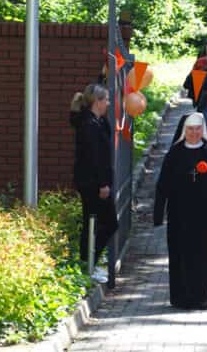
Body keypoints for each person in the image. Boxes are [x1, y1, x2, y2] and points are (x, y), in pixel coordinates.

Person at [153, 112, 207, 310]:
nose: (194, 133)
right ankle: (180, 297)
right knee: (180, 254)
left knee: (202, 255)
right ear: (184, 131)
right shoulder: (174, 153)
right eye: (190, 129)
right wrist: (158, 215)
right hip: (179, 214)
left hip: (205, 216)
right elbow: (162, 185)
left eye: (198, 129)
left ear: (203, 130)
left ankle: (201, 297)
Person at [71, 84, 119, 284]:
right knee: (106, 223)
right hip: (93, 183)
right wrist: (102, 184)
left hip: (94, 181)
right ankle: (88, 263)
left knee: (95, 223)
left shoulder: (97, 121)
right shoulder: (89, 126)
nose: (108, 103)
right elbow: (94, 158)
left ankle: (89, 263)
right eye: (106, 99)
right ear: (97, 102)